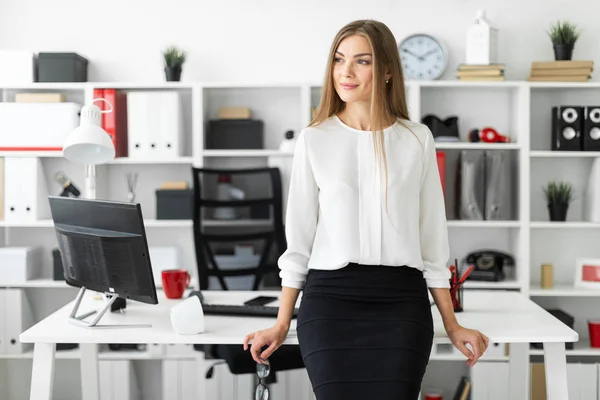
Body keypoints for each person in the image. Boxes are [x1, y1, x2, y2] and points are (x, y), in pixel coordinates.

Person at [243, 19, 489, 399]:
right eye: (339, 60)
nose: (346, 71)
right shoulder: (314, 139)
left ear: (387, 70)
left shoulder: (416, 139)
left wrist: (452, 324)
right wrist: (280, 323)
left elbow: (433, 244)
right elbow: (299, 244)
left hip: (401, 304)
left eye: (362, 61)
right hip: (330, 303)